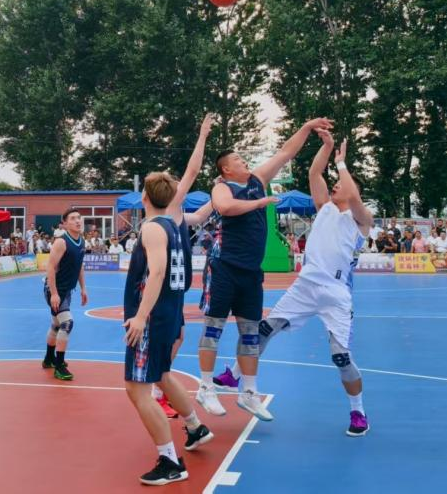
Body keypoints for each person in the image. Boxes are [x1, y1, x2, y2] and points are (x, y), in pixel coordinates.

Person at [223, 130, 375, 436]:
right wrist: (328, 146)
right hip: (306, 285)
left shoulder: (361, 220)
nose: (335, 185)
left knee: (341, 357)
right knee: (264, 329)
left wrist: (342, 164)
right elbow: (314, 173)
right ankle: (236, 374)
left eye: (341, 183)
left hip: (335, 293)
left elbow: (354, 197)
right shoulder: (325, 208)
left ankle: (358, 412)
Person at [199, 115, 332, 422]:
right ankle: (206, 387)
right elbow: (226, 208)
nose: (243, 161)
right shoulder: (222, 188)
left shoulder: (257, 180)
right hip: (224, 268)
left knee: (250, 333)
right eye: (237, 159)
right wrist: (260, 203)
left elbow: (286, 152)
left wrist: (306, 127)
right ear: (226, 169)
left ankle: (249, 392)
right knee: (214, 328)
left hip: (250, 272)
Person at [122, 168, 215, 486]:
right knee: (162, 374)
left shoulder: (152, 228)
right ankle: (195, 427)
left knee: (136, 389)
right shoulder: (175, 225)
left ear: (144, 198)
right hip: (170, 312)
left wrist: (140, 316)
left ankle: (170, 461)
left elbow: (158, 272)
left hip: (153, 317)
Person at [42, 208, 89, 381]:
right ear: (65, 223)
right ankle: (59, 366)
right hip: (54, 290)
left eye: (79, 217)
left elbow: (80, 266)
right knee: (67, 323)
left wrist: (83, 288)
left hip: (67, 290)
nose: (77, 221)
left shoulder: (82, 241)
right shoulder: (61, 242)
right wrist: (54, 294)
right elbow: (50, 267)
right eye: (73, 218)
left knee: (56, 325)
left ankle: (49, 359)